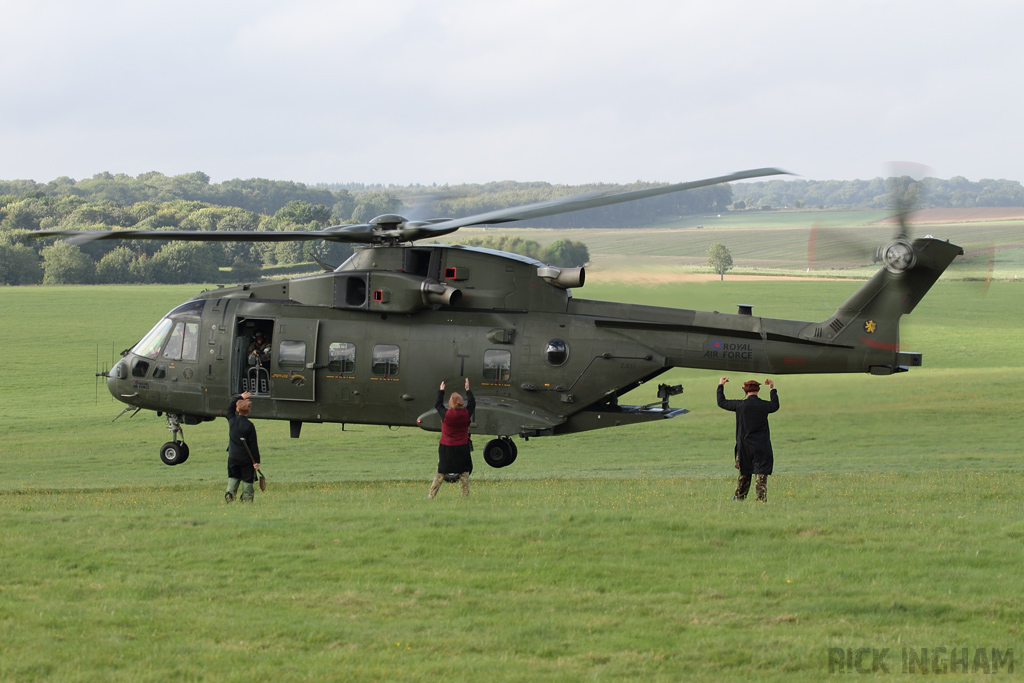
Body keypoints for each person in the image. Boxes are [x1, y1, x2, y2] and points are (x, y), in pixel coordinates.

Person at [717, 377, 779, 502]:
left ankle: (739, 497)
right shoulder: (764, 405)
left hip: (744, 446)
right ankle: (761, 499)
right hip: (762, 445)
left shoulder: (740, 405)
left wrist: (721, 385)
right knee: (761, 472)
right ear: (758, 390)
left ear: (745, 391)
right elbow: (775, 405)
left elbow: (721, 402)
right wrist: (772, 389)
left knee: (744, 472)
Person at [428, 377, 476, 498]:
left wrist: (441, 391)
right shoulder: (465, 414)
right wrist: (468, 390)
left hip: (446, 446)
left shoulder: (446, 415)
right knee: (464, 473)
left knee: (440, 472)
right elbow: (472, 404)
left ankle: (431, 495)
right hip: (462, 447)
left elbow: (437, 404)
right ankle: (465, 496)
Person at [224, 390, 261, 502]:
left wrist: (240, 397)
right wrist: (256, 461)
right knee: (247, 480)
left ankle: (230, 495)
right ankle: (246, 499)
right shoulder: (249, 425)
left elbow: (229, 409)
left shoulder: (232, 421)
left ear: (237, 409)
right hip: (246, 458)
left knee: (233, 477)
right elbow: (253, 446)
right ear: (248, 410)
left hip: (233, 456)